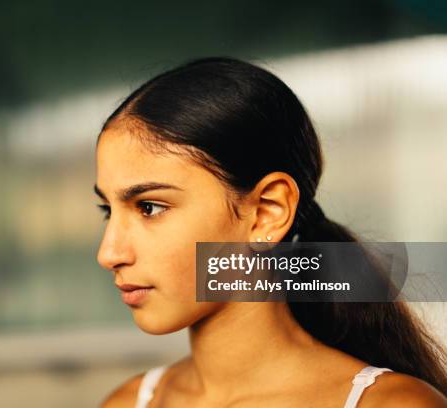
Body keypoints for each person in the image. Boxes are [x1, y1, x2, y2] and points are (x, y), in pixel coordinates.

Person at [93, 57, 447, 407]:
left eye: (149, 207)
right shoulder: (127, 403)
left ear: (267, 213)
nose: (109, 254)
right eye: (108, 210)